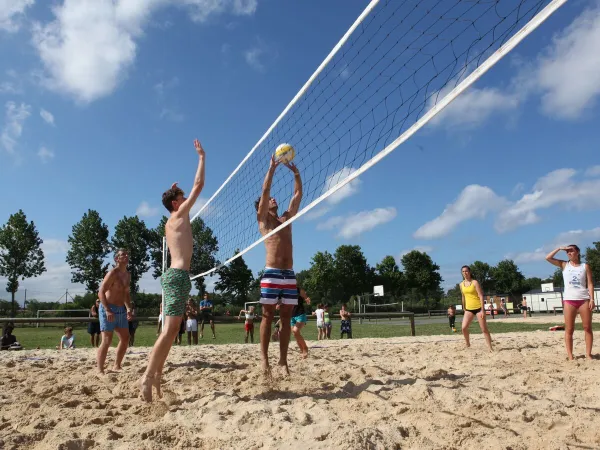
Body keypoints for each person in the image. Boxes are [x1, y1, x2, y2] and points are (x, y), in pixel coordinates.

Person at [139, 138, 205, 402]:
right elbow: (199, 185)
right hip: (177, 276)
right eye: (182, 197)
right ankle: (146, 376)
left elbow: (185, 194)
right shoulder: (178, 216)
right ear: (176, 204)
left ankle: (156, 378)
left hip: (177, 277)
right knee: (169, 332)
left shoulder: (174, 217)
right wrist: (201, 156)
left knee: (171, 331)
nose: (186, 197)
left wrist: (171, 192)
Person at [255, 153, 302, 376]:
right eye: (270, 199)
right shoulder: (264, 220)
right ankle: (264, 360)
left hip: (289, 273)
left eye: (274, 198)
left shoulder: (286, 219)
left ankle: (283, 361)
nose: (274, 199)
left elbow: (297, 195)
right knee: (267, 316)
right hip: (272, 272)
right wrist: (272, 169)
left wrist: (296, 173)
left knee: (286, 317)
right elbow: (264, 192)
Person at [546, 245, 595, 360]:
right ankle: (570, 355)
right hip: (569, 300)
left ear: (577, 252)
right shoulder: (564, 265)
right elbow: (548, 258)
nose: (569, 253)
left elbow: (590, 283)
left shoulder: (585, 266)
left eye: (571, 250)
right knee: (569, 329)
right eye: (567, 251)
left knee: (587, 327)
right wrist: (559, 248)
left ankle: (588, 354)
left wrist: (592, 299)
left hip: (584, 300)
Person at [97, 249, 133, 374]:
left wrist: (128, 308)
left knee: (125, 337)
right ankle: (100, 370)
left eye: (127, 254)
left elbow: (126, 294)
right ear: (116, 259)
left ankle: (117, 365)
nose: (126, 256)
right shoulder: (112, 273)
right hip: (108, 308)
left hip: (120, 310)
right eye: (123, 254)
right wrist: (107, 310)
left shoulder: (128, 275)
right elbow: (101, 292)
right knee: (107, 340)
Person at [460, 265, 493, 352]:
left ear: (469, 272)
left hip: (478, 308)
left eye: (466, 271)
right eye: (463, 271)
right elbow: (463, 297)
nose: (465, 273)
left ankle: (490, 347)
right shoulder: (461, 284)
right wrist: (464, 308)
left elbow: (481, 295)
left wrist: (483, 310)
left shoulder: (475, 282)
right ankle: (467, 343)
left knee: (484, 329)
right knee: (463, 327)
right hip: (468, 309)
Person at [291, 288, 310, 358]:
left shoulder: (299, 290)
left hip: (300, 313)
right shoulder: (286, 290)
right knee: (295, 334)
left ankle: (305, 348)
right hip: (291, 315)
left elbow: (306, 297)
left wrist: (307, 299)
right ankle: (302, 350)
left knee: (295, 331)